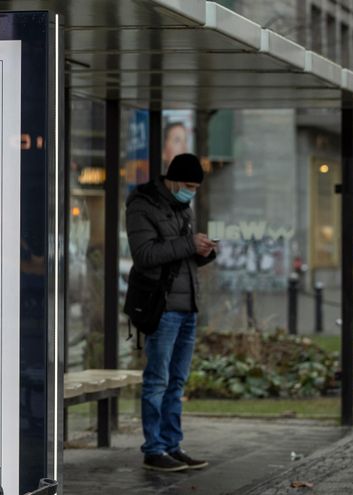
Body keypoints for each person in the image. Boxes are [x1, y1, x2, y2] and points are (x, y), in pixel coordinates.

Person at [125, 153, 216, 472]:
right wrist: (190, 244)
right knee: (157, 380)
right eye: (188, 185)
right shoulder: (142, 205)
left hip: (187, 306)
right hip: (162, 307)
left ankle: (172, 445)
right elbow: (145, 255)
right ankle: (153, 449)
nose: (191, 191)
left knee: (177, 381)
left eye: (196, 187)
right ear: (173, 180)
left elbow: (181, 257)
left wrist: (204, 251)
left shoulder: (182, 207)